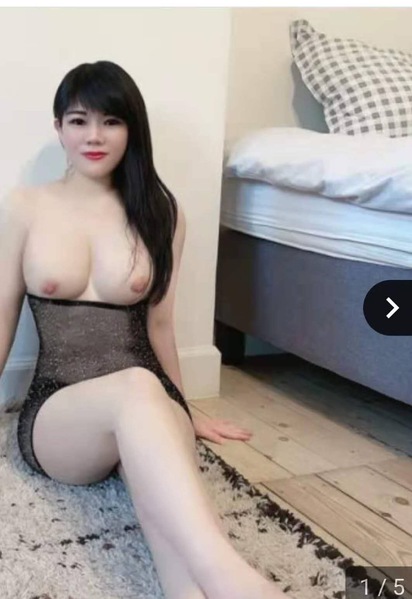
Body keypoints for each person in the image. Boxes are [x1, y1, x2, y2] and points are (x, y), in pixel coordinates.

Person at [0, 61, 289, 599]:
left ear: (131, 129)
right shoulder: (26, 206)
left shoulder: (160, 211)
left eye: (110, 121)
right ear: (59, 127)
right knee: (137, 385)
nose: (94, 136)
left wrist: (188, 411)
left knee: (173, 515)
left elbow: (159, 323)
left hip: (150, 401)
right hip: (61, 412)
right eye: (79, 120)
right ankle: (239, 581)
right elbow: (1, 316)